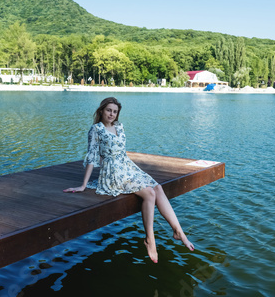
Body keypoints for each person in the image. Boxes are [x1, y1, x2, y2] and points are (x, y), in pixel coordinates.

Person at [63, 97, 194, 263]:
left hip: (127, 167)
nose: (111, 114)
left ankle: (178, 231)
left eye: (115, 111)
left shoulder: (119, 126)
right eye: (109, 110)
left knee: (158, 188)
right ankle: (150, 239)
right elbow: (91, 156)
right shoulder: (96, 129)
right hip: (112, 173)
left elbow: (121, 151)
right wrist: (83, 185)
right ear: (101, 110)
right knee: (149, 194)